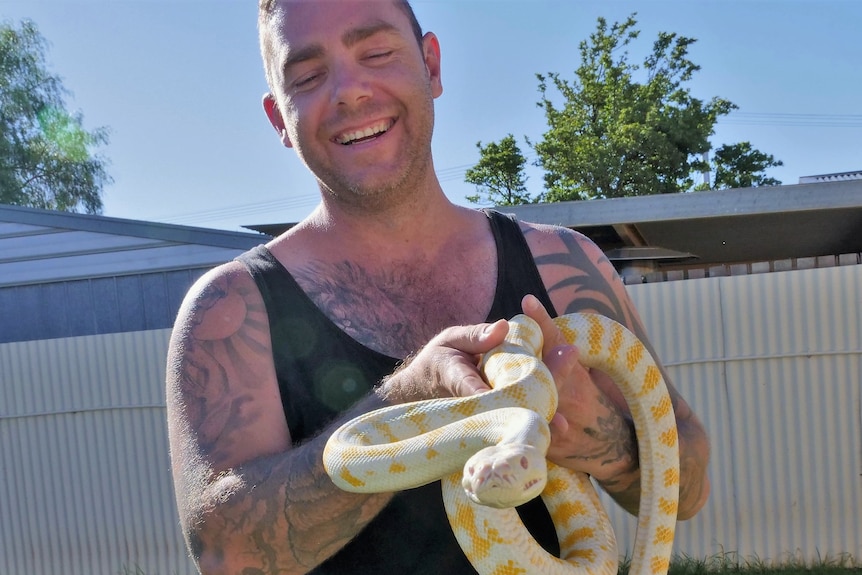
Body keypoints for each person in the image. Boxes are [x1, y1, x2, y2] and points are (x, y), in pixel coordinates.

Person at [165, 1, 711, 573]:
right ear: (279, 117)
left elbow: (689, 484)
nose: (350, 91)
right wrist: (410, 396)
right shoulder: (230, 308)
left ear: (431, 65)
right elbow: (226, 556)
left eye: (376, 52)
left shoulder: (563, 264)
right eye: (308, 76)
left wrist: (595, 435)